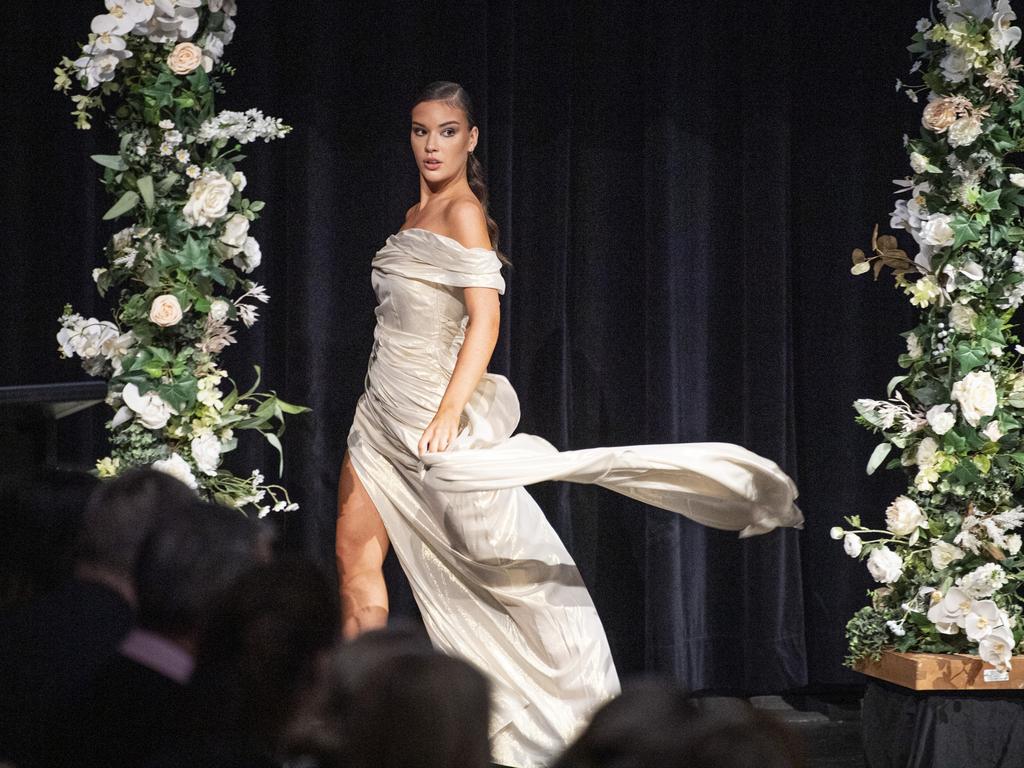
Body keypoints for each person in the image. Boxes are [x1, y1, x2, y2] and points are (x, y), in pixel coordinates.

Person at [336, 80, 804, 768]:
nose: (431, 144)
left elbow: (485, 323)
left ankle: (576, 706)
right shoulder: (412, 214)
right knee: (354, 562)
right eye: (419, 130)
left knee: (505, 567)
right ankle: (357, 722)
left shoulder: (463, 213)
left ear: (471, 140)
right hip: (376, 418)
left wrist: (443, 417)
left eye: (446, 131)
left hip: (433, 426)